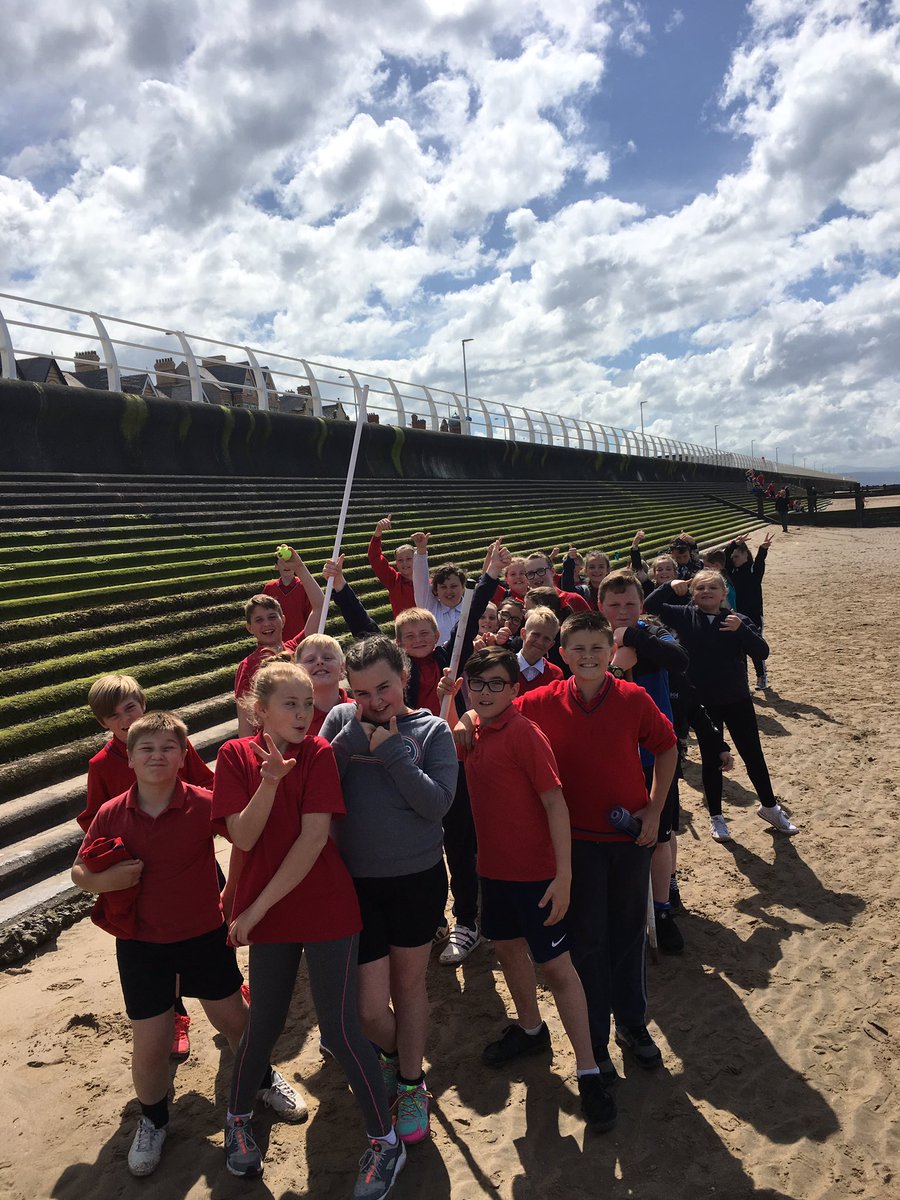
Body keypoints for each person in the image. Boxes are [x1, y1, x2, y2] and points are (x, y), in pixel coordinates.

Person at [212, 660, 404, 1195]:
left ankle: (385, 1143)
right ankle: (238, 1121)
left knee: (342, 1029)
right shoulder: (233, 756)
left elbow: (313, 840)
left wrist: (253, 912)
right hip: (268, 913)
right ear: (260, 710)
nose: (303, 712)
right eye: (290, 703)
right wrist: (270, 782)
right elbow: (243, 839)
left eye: (306, 703)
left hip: (321, 905)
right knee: (264, 1023)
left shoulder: (319, 753)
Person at [457, 611, 678, 1073]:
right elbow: (493, 702)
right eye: (577, 648)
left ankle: (633, 1023)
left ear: (611, 651)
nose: (588, 656)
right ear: (563, 652)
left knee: (629, 932)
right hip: (574, 843)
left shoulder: (633, 698)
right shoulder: (542, 699)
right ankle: (594, 1035)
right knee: (587, 941)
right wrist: (466, 721)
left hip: (626, 839)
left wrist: (655, 809)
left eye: (597, 647)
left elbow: (666, 746)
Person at [71, 712, 250, 1179]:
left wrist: (237, 897)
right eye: (145, 749)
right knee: (150, 1045)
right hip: (142, 944)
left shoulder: (204, 804)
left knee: (235, 1021)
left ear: (183, 755)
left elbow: (250, 839)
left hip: (204, 934)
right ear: (128, 758)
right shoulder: (112, 812)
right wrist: (105, 879)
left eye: (168, 747)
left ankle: (260, 1079)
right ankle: (153, 1120)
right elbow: (79, 871)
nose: (157, 756)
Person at [459, 647, 616, 1131]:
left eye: (496, 684)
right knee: (506, 950)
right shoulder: (474, 728)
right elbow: (467, 713)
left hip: (536, 875)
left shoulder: (525, 736)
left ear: (515, 689)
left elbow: (555, 804)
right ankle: (531, 1029)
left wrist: (563, 876)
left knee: (557, 967)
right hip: (494, 871)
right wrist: (465, 712)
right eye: (477, 683)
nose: (485, 692)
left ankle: (589, 1068)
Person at [320, 637, 458, 1145]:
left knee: (409, 985)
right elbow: (320, 786)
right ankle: (400, 1056)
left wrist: (395, 755)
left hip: (416, 879)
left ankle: (411, 1082)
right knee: (368, 1008)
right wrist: (353, 741)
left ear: (404, 676)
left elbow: (437, 805)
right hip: (354, 883)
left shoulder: (433, 729)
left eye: (384, 687)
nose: (375, 701)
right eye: (361, 692)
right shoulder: (341, 724)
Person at [81, 674, 215, 1061]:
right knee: (155, 947)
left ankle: (222, 987)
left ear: (143, 705)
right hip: (138, 874)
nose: (123, 718)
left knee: (211, 927)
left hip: (190, 857)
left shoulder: (174, 743)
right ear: (102, 723)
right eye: (113, 714)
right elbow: (94, 818)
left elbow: (206, 784)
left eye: (129, 708)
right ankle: (175, 1014)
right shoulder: (101, 765)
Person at [644, 571, 799, 841]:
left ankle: (770, 806)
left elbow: (762, 652)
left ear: (723, 592)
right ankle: (716, 816)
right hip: (704, 703)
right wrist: (670, 586)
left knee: (753, 755)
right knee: (712, 759)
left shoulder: (736, 619)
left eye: (713, 587)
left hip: (737, 698)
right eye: (700, 588)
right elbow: (650, 606)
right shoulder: (684, 615)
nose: (706, 592)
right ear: (692, 592)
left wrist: (742, 631)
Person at [234, 586, 321, 735]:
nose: (267, 623)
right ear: (249, 627)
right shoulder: (248, 665)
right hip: (273, 741)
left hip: (304, 731)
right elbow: (245, 717)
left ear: (283, 620)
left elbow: (319, 606)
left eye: (272, 616)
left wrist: (298, 567)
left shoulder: (297, 647)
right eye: (259, 620)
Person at [724, 532, 774, 690]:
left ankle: (761, 676)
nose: (734, 559)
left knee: (753, 645)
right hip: (736, 614)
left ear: (746, 554)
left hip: (753, 615)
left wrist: (763, 549)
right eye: (733, 557)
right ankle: (743, 680)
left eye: (737, 556)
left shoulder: (753, 570)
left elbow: (760, 562)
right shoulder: (731, 571)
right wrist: (733, 544)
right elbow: (724, 560)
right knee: (739, 649)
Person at [411, 532, 468, 640]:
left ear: (463, 587)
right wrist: (421, 550)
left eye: (453, 586)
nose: (449, 591)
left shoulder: (472, 609)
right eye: (443, 587)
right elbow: (420, 580)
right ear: (436, 590)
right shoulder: (429, 607)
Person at [294, 633, 350, 735]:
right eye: (311, 660)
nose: (319, 662)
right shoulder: (295, 720)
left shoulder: (360, 709)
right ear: (299, 672)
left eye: (327, 658)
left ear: (342, 668)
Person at [262, 546, 323, 640]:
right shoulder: (269, 588)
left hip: (301, 639)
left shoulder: (305, 587)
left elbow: (314, 612)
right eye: (282, 562)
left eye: (288, 562)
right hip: (276, 640)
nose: (286, 566)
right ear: (276, 566)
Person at [368, 514, 416, 616]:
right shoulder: (393, 580)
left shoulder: (429, 581)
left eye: (408, 559)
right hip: (404, 630)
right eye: (400, 560)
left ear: (416, 560)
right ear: (396, 564)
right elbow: (375, 557)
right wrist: (378, 532)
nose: (405, 563)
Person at [516, 607, 564, 696]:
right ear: (523, 634)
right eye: (535, 635)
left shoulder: (555, 675)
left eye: (546, 639)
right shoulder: (504, 667)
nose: (540, 642)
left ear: (551, 644)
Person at [524, 550, 590, 612]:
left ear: (552, 572)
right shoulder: (524, 609)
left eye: (541, 571)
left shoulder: (574, 600)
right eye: (530, 573)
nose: (536, 576)